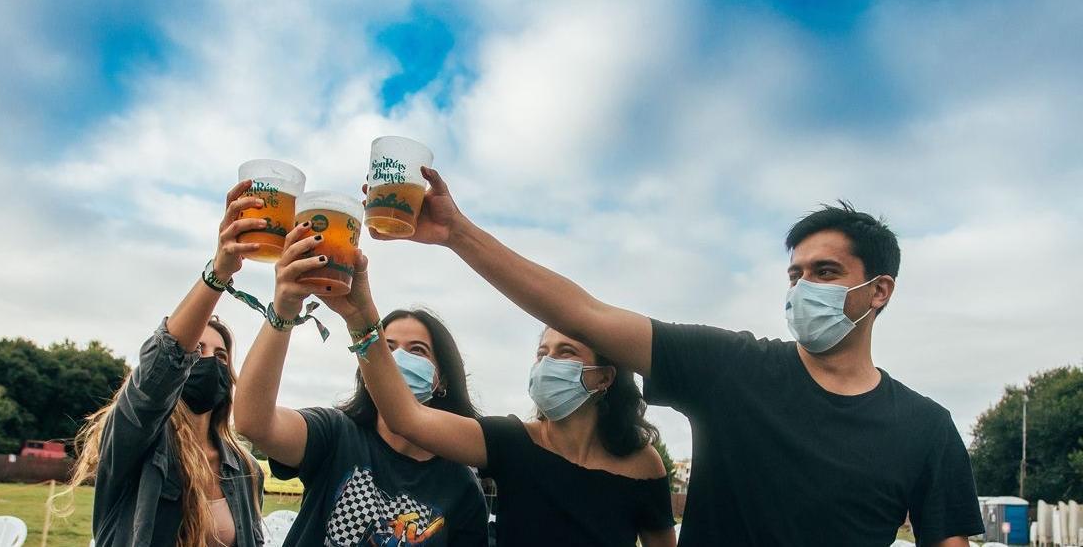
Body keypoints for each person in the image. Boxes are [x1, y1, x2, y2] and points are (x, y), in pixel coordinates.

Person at [371, 168, 985, 547]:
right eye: (795, 273)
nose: (802, 289)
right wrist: (458, 233)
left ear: (879, 290)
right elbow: (583, 312)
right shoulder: (731, 369)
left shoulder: (925, 428)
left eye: (826, 272)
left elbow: (946, 540)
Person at [316, 246, 677, 546]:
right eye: (542, 352)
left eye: (566, 352)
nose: (547, 363)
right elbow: (406, 417)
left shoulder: (643, 465)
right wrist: (360, 317)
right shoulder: (512, 441)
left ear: (604, 378)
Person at [233, 223, 489, 546]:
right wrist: (284, 310)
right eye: (387, 346)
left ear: (443, 381)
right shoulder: (336, 434)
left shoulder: (461, 485)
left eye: (418, 351)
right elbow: (252, 422)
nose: (396, 360)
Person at [59, 180, 265, 546]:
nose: (208, 363)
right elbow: (162, 363)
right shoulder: (135, 439)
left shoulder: (243, 465)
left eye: (220, 356)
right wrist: (220, 271)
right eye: (196, 350)